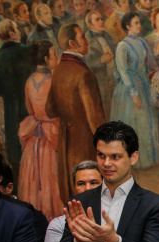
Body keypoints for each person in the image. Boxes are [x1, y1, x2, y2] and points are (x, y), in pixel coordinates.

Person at [46, 23, 106, 206]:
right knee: (90, 193)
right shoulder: (83, 73)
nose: (87, 41)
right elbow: (95, 119)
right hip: (84, 141)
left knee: (73, 191)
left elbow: (50, 110)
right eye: (82, 38)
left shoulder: (58, 71)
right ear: (72, 43)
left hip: (66, 141)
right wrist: (108, 145)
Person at [18, 40, 61, 219]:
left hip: (35, 137)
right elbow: (58, 109)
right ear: (46, 58)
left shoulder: (29, 81)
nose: (57, 58)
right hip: (51, 135)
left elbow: (30, 109)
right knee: (50, 177)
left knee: (35, 179)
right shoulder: (53, 81)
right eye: (54, 55)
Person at [113, 12, 159, 168]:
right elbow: (122, 71)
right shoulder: (122, 46)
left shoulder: (142, 42)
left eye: (139, 22)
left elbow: (151, 63)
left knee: (147, 121)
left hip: (144, 84)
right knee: (135, 121)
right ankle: (134, 162)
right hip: (129, 88)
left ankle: (148, 159)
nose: (139, 26)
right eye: (136, 23)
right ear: (128, 26)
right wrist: (133, 93)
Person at [0, 19, 34, 175]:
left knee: (17, 158)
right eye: (17, 29)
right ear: (12, 34)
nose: (20, 32)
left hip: (11, 112)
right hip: (32, 108)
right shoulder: (29, 51)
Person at [84, 10, 117, 120]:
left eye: (101, 19)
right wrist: (102, 60)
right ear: (90, 25)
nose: (101, 21)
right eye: (97, 19)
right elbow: (87, 63)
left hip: (115, 78)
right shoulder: (86, 41)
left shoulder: (108, 35)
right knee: (106, 112)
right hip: (101, 82)